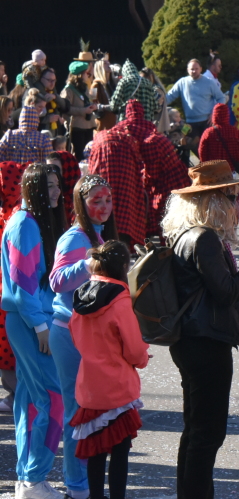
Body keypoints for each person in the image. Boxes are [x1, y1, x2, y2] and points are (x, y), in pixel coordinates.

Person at [161, 161, 239, 499]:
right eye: (234, 198)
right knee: (207, 434)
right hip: (205, 343)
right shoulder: (204, 239)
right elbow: (227, 291)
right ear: (216, 201)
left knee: (196, 430)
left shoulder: (187, 234)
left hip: (192, 341)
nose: (237, 205)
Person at [1, 163, 70, 499]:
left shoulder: (30, 221)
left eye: (58, 185)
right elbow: (23, 284)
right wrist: (42, 327)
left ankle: (29, 480)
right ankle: (33, 478)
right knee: (52, 398)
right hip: (32, 322)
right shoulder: (25, 224)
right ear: (33, 188)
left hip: (32, 320)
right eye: (50, 186)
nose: (56, 192)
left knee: (31, 399)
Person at [49, 174, 118, 498]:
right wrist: (87, 265)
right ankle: (76, 487)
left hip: (90, 336)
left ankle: (85, 484)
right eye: (96, 201)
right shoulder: (75, 238)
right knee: (77, 412)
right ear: (81, 204)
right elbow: (56, 282)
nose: (103, 207)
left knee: (94, 411)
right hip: (68, 335)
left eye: (107, 200)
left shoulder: (101, 233)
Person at [68, 240, 149, 499]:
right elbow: (135, 350)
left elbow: (74, 335)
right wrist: (143, 359)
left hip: (90, 388)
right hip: (117, 389)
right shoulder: (120, 301)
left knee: (95, 452)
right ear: (124, 267)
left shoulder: (81, 297)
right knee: (120, 452)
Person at [110, 99, 191, 238]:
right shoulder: (148, 127)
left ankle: (167, 245)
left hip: (167, 178)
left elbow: (152, 174)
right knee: (172, 211)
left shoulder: (138, 136)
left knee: (164, 211)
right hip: (176, 173)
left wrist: (140, 182)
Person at [85, 126, 146, 247]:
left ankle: (102, 244)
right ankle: (122, 247)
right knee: (125, 213)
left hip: (103, 178)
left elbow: (92, 166)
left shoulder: (100, 138)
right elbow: (140, 166)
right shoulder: (129, 140)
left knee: (103, 209)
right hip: (126, 182)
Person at [166, 60, 227, 138]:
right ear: (188, 70)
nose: (194, 71)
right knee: (188, 145)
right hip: (189, 123)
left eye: (196, 68)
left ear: (201, 69)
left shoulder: (209, 82)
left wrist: (214, 113)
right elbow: (169, 96)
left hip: (207, 122)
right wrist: (158, 104)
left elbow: (221, 98)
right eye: (192, 69)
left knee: (208, 147)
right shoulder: (182, 82)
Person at [61, 62, 97, 160]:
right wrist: (83, 110)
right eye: (86, 73)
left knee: (89, 155)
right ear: (79, 75)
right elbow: (66, 109)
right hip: (77, 127)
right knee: (79, 155)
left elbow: (86, 101)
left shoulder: (84, 87)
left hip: (88, 125)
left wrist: (92, 106)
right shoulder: (68, 90)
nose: (87, 75)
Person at [198, 103, 239, 170]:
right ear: (227, 115)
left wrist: (207, 164)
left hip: (214, 171)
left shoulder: (208, 133)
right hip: (231, 170)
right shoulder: (235, 132)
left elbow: (202, 152)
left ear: (214, 116)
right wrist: (238, 160)